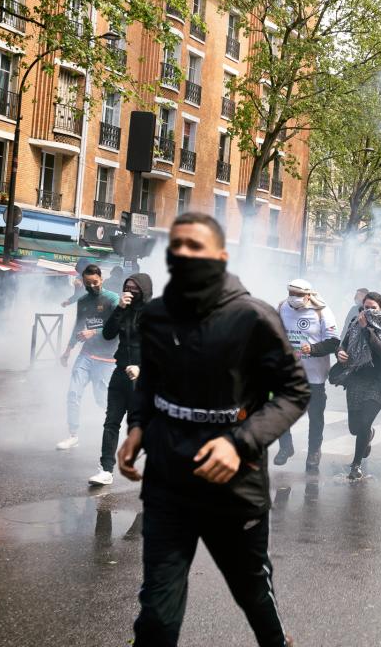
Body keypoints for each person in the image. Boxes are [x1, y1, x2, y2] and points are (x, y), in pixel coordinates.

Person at [117, 212, 308, 647]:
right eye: (177, 246)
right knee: (156, 618)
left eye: (196, 246)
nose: (184, 254)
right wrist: (137, 427)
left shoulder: (254, 318)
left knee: (254, 597)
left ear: (221, 256)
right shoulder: (157, 315)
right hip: (167, 483)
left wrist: (240, 445)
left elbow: (295, 392)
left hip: (234, 487)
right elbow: (150, 379)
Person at [89, 272, 154, 486]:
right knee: (111, 422)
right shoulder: (123, 310)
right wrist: (119, 309)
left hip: (142, 378)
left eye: (135, 289)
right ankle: (106, 469)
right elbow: (108, 334)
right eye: (128, 288)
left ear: (144, 291)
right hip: (120, 373)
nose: (131, 292)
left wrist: (142, 368)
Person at [332, 291, 381, 480]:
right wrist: (339, 353)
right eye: (366, 308)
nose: (369, 311)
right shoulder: (355, 324)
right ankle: (368, 435)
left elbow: (380, 349)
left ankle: (356, 466)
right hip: (356, 379)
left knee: (364, 422)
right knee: (355, 428)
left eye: (373, 308)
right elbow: (343, 344)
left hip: (379, 382)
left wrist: (367, 329)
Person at [272, 278, 339, 473]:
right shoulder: (282, 307)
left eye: (299, 295)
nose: (294, 298)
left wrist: (313, 349)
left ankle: (313, 452)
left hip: (314, 377)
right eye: (291, 293)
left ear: (309, 295)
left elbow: (334, 342)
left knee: (315, 417)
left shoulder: (322, 311)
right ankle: (286, 447)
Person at [56, 265, 120, 450]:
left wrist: (95, 332)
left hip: (107, 359)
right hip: (86, 355)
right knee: (73, 393)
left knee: (102, 400)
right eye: (87, 283)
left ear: (102, 279)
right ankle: (73, 435)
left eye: (95, 282)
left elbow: (118, 327)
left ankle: (119, 429)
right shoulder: (83, 301)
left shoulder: (112, 299)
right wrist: (68, 350)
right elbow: (78, 327)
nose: (92, 286)